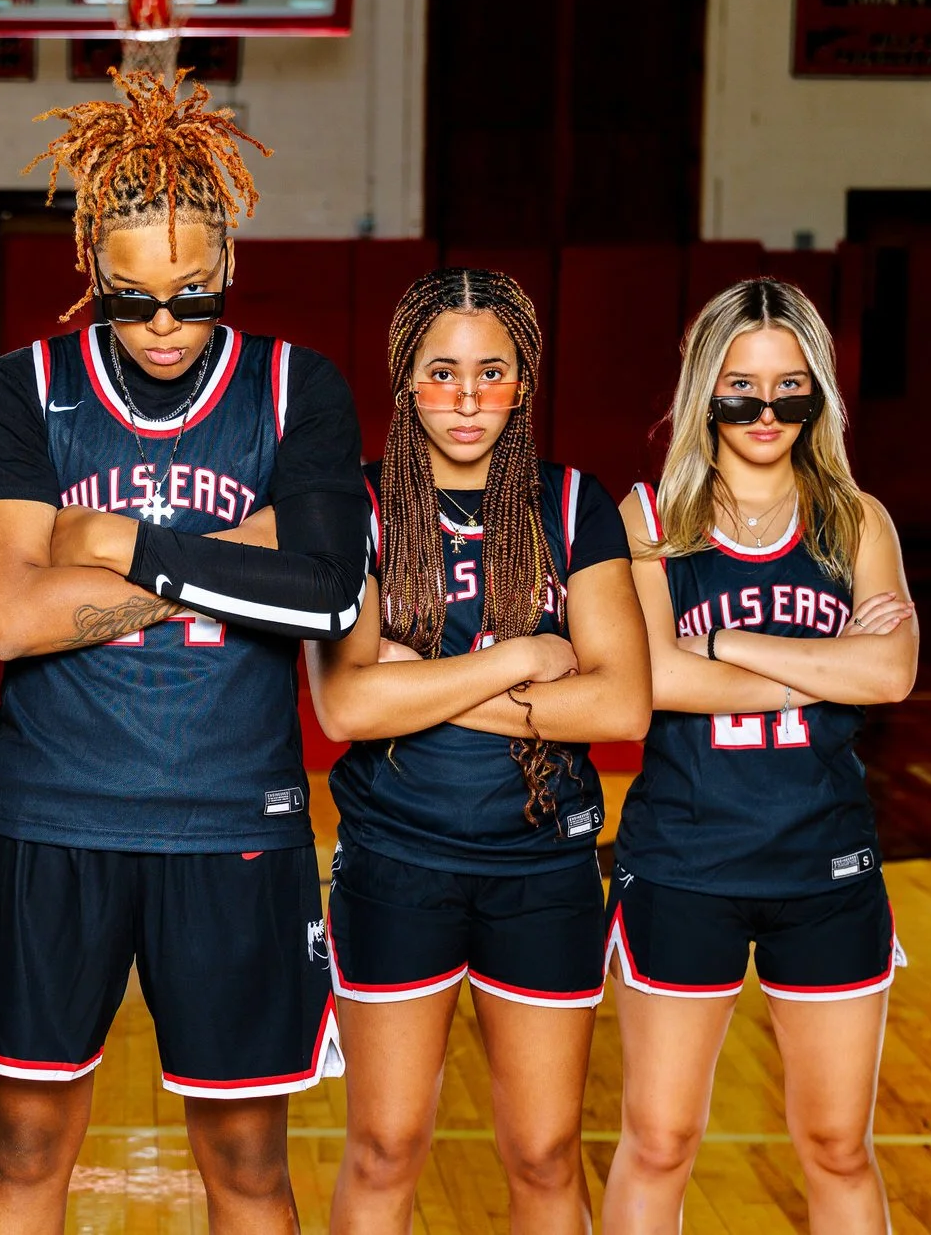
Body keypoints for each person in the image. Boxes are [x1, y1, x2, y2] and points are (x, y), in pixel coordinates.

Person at [0, 67, 370, 1232]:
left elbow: (328, 596)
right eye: (134, 302)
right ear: (90, 278)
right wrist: (240, 554)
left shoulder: (295, 390)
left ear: (227, 268)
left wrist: (128, 545)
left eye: (193, 295)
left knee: (245, 1163)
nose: (167, 325)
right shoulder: (23, 390)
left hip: (233, 817)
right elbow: (10, 618)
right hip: (49, 813)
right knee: (24, 1152)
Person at [306, 268, 648, 1233]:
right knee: (383, 1150)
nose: (466, 398)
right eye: (441, 371)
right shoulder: (359, 510)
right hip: (395, 865)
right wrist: (534, 660)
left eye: (491, 372)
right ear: (404, 379)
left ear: (524, 380)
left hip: (543, 868)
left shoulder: (574, 505)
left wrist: (426, 685)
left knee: (544, 1155)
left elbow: (621, 704)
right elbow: (344, 705)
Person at [604, 278, 918, 1233]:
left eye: (791, 387)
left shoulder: (855, 520)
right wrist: (827, 669)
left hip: (825, 865)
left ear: (818, 394)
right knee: (659, 1141)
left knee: (837, 1146)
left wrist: (728, 645)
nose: (767, 409)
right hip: (682, 863)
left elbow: (894, 670)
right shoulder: (649, 518)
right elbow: (649, 680)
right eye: (743, 385)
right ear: (706, 388)